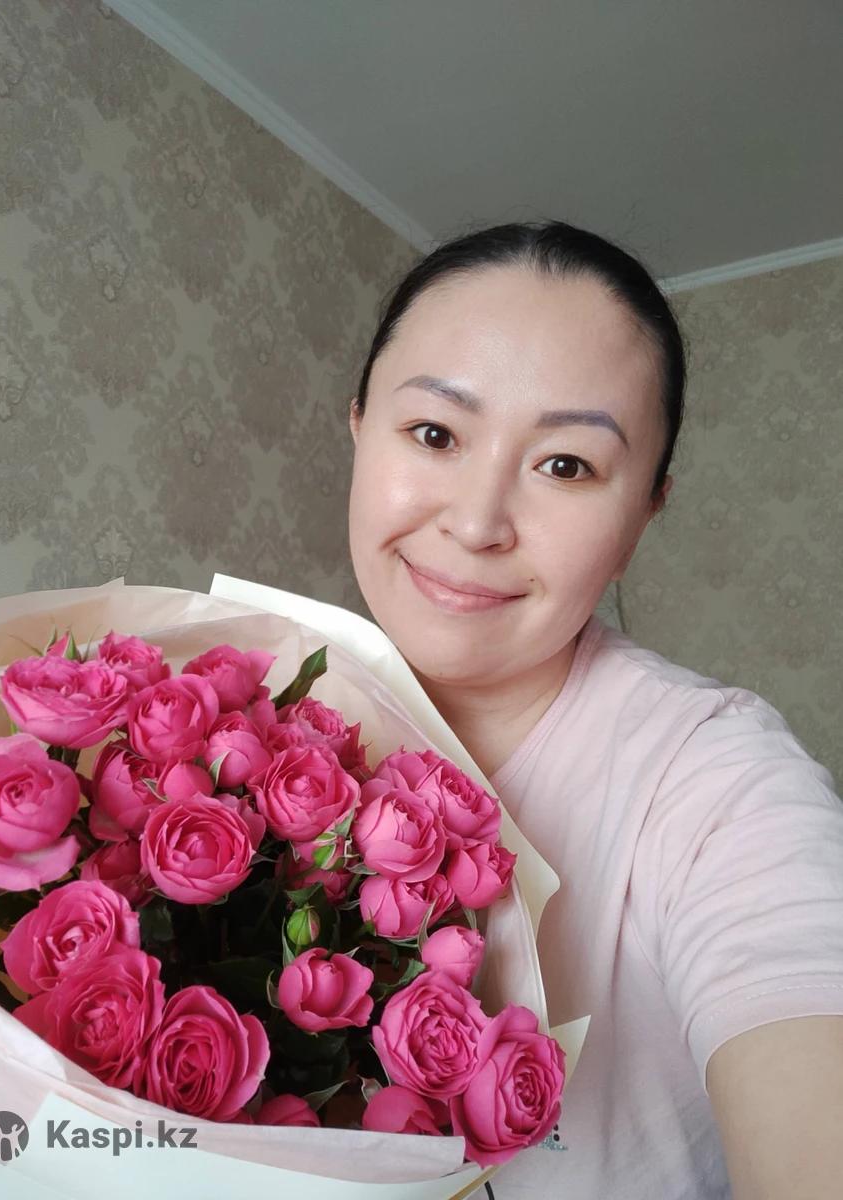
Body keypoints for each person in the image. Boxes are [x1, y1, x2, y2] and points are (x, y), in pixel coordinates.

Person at [346, 221, 843, 1198]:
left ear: (645, 512)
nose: (477, 523)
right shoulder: (243, 718)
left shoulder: (715, 777)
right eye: (435, 434)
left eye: (566, 465)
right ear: (359, 428)